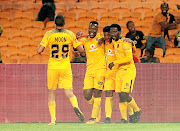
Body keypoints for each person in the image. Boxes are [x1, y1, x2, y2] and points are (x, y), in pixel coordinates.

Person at [37, 15, 85, 125]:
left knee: (51, 92)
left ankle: (53, 120)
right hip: (65, 66)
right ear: (64, 23)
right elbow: (81, 50)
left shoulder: (49, 34)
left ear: (55, 23)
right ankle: (76, 106)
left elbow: (39, 50)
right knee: (69, 92)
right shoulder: (70, 34)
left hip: (53, 66)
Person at [108, 24, 142, 123]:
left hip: (128, 70)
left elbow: (129, 58)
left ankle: (137, 110)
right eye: (111, 32)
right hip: (119, 71)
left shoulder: (125, 42)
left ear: (119, 32)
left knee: (124, 94)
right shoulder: (114, 42)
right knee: (121, 95)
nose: (112, 34)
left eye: (115, 31)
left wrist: (114, 63)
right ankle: (125, 118)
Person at [77, 21, 106, 124]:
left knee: (97, 92)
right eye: (91, 28)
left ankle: (94, 117)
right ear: (88, 28)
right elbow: (75, 49)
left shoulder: (101, 38)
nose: (92, 30)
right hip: (89, 70)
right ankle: (97, 109)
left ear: (97, 30)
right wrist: (76, 38)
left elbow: (110, 39)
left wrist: (103, 39)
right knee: (87, 94)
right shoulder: (84, 40)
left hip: (100, 69)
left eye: (95, 29)